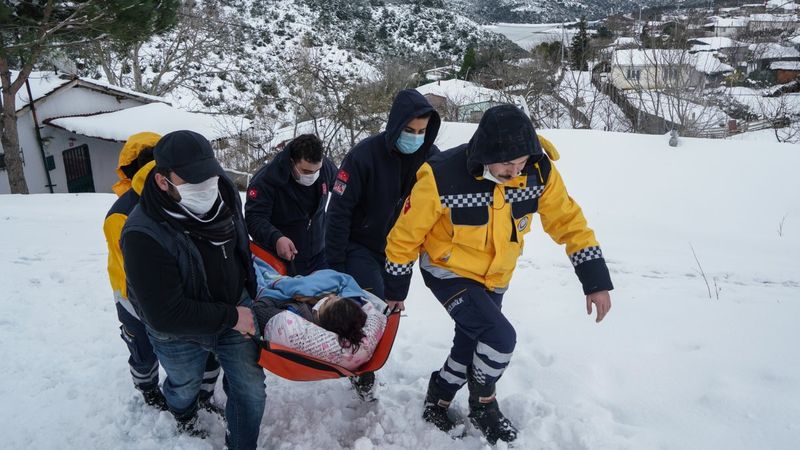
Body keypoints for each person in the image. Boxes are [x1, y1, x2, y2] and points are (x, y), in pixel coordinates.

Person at [381, 105, 614, 444]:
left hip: (496, 275)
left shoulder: (539, 171)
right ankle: (483, 402)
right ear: (486, 152)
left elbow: (570, 223)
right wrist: (396, 291)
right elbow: (403, 238)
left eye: (520, 163)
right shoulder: (441, 176)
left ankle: (439, 396)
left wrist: (595, 281)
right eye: (507, 164)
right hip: (447, 271)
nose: (514, 171)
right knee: (500, 338)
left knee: (471, 341)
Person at [121, 130, 266, 449]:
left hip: (232, 305)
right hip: (178, 329)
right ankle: (184, 414)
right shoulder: (142, 233)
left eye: (209, 177)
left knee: (250, 388)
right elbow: (164, 315)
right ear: (163, 181)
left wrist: (250, 290)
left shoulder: (223, 189)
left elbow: (239, 243)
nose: (206, 187)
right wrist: (231, 316)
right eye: (192, 181)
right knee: (184, 384)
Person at [325, 89, 441, 399]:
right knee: (373, 303)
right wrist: (335, 268)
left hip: (399, 250)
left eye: (421, 131)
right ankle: (362, 370)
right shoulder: (364, 156)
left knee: (389, 307)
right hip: (360, 244)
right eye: (409, 130)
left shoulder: (430, 157)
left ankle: (363, 354)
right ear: (395, 125)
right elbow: (337, 212)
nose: (415, 137)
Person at [104, 132, 222, 413]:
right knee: (144, 350)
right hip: (132, 297)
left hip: (174, 296)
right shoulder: (124, 214)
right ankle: (148, 389)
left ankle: (199, 396)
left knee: (180, 349)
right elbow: (135, 272)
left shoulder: (180, 196)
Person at [245, 134, 336, 275]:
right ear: (292, 162)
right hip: (281, 260)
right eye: (306, 171)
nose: (312, 175)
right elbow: (254, 219)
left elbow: (342, 191)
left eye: (316, 171)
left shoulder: (325, 168)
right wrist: (276, 238)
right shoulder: (266, 181)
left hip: (319, 254)